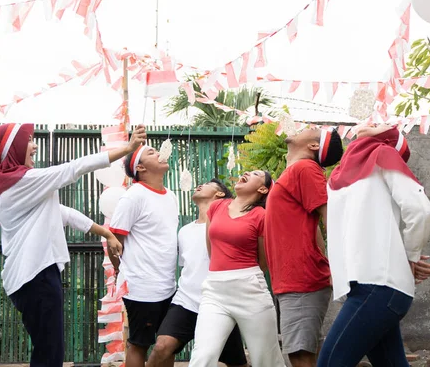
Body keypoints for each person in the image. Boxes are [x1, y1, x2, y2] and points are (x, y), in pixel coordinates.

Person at [0, 122, 146, 367]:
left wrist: (107, 234)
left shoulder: (16, 186)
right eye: (28, 141)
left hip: (32, 278)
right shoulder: (21, 182)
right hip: (35, 276)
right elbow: (73, 168)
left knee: (49, 350)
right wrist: (128, 148)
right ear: (13, 148)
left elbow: (63, 213)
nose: (34, 146)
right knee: (50, 355)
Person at [318, 124, 430, 367]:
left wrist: (411, 257)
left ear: (391, 139)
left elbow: (420, 209)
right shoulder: (339, 174)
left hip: (378, 286)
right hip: (365, 286)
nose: (373, 121)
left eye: (381, 123)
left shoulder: (383, 154)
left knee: (330, 363)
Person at [263, 127, 343, 367]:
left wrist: (338, 268)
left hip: (301, 279)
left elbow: (330, 218)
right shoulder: (296, 171)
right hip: (295, 278)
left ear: (314, 146)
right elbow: (316, 226)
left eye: (312, 130)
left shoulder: (305, 168)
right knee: (302, 354)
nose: (303, 126)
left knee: (300, 356)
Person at [146, 179, 247, 367]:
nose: (200, 185)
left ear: (220, 194)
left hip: (220, 303)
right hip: (186, 301)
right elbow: (187, 267)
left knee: (236, 363)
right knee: (162, 347)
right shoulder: (184, 231)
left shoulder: (228, 226)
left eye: (208, 184)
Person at [189, 170, 285, 367]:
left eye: (256, 173)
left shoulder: (263, 216)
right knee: (202, 357)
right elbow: (211, 249)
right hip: (215, 290)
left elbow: (263, 261)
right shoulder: (216, 207)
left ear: (262, 189)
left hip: (250, 290)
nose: (247, 172)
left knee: (266, 361)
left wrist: (242, 275)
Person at [109, 145, 179, 367]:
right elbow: (114, 242)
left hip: (169, 285)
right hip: (142, 288)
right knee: (139, 343)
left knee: (168, 344)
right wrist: (121, 269)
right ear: (139, 167)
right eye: (151, 153)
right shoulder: (134, 196)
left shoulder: (172, 196)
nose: (159, 153)